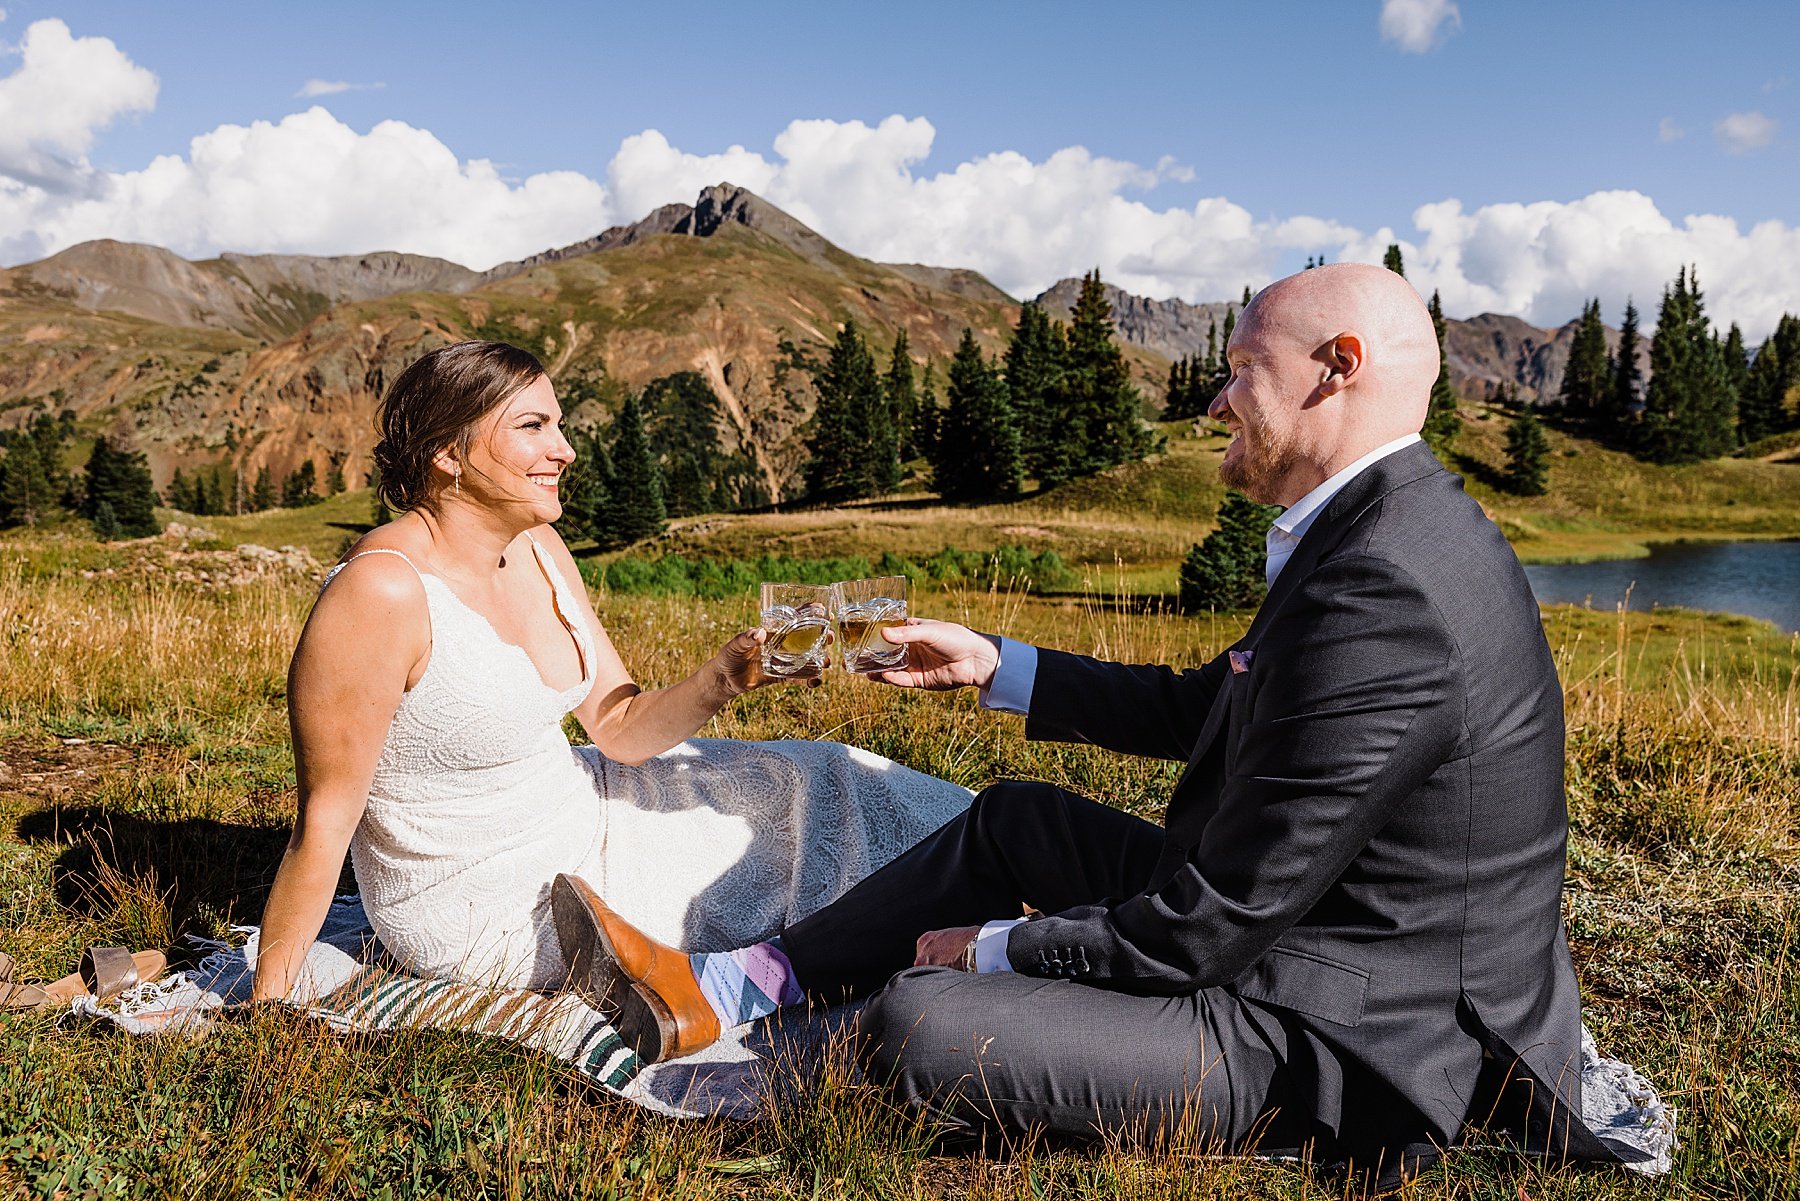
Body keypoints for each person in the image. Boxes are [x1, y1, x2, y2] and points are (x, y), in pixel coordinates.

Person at [552, 264, 1627, 1184]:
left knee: (921, 1018)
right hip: (1299, 934)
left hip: (1338, 1022)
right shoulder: (1386, 522)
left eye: (1244, 368)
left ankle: (725, 1075)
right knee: (1012, 821)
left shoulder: (1389, 581)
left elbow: (1215, 920)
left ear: (1336, 366)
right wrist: (998, 666)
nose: (1218, 401)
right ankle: (728, 989)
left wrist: (1002, 947)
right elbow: (1219, 707)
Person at [250, 341, 970, 1014]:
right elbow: (324, 822)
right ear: (448, 451)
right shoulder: (380, 594)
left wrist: (727, 675)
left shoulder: (538, 545)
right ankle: (972, 923)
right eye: (534, 426)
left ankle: (1010, 848)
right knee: (765, 854)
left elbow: (620, 729)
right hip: (479, 894)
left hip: (580, 796)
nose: (564, 450)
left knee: (809, 776)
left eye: (559, 425)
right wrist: (269, 1005)